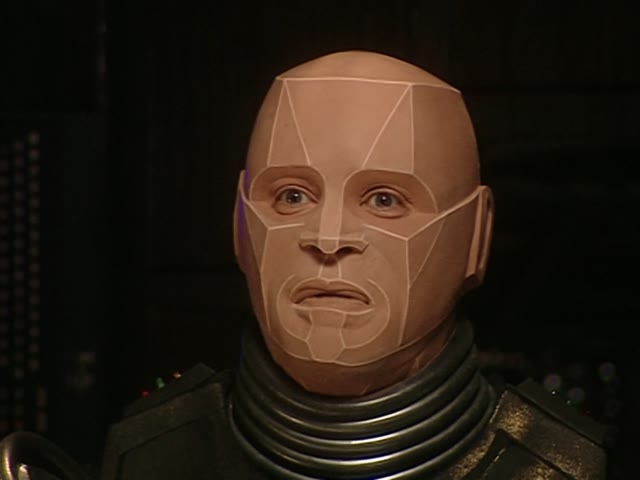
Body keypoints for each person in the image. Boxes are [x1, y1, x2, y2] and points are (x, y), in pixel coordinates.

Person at [1, 51, 607, 480]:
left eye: (385, 200)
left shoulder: (558, 465)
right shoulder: (151, 455)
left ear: (475, 236)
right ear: (240, 226)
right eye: (292, 196)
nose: (329, 238)